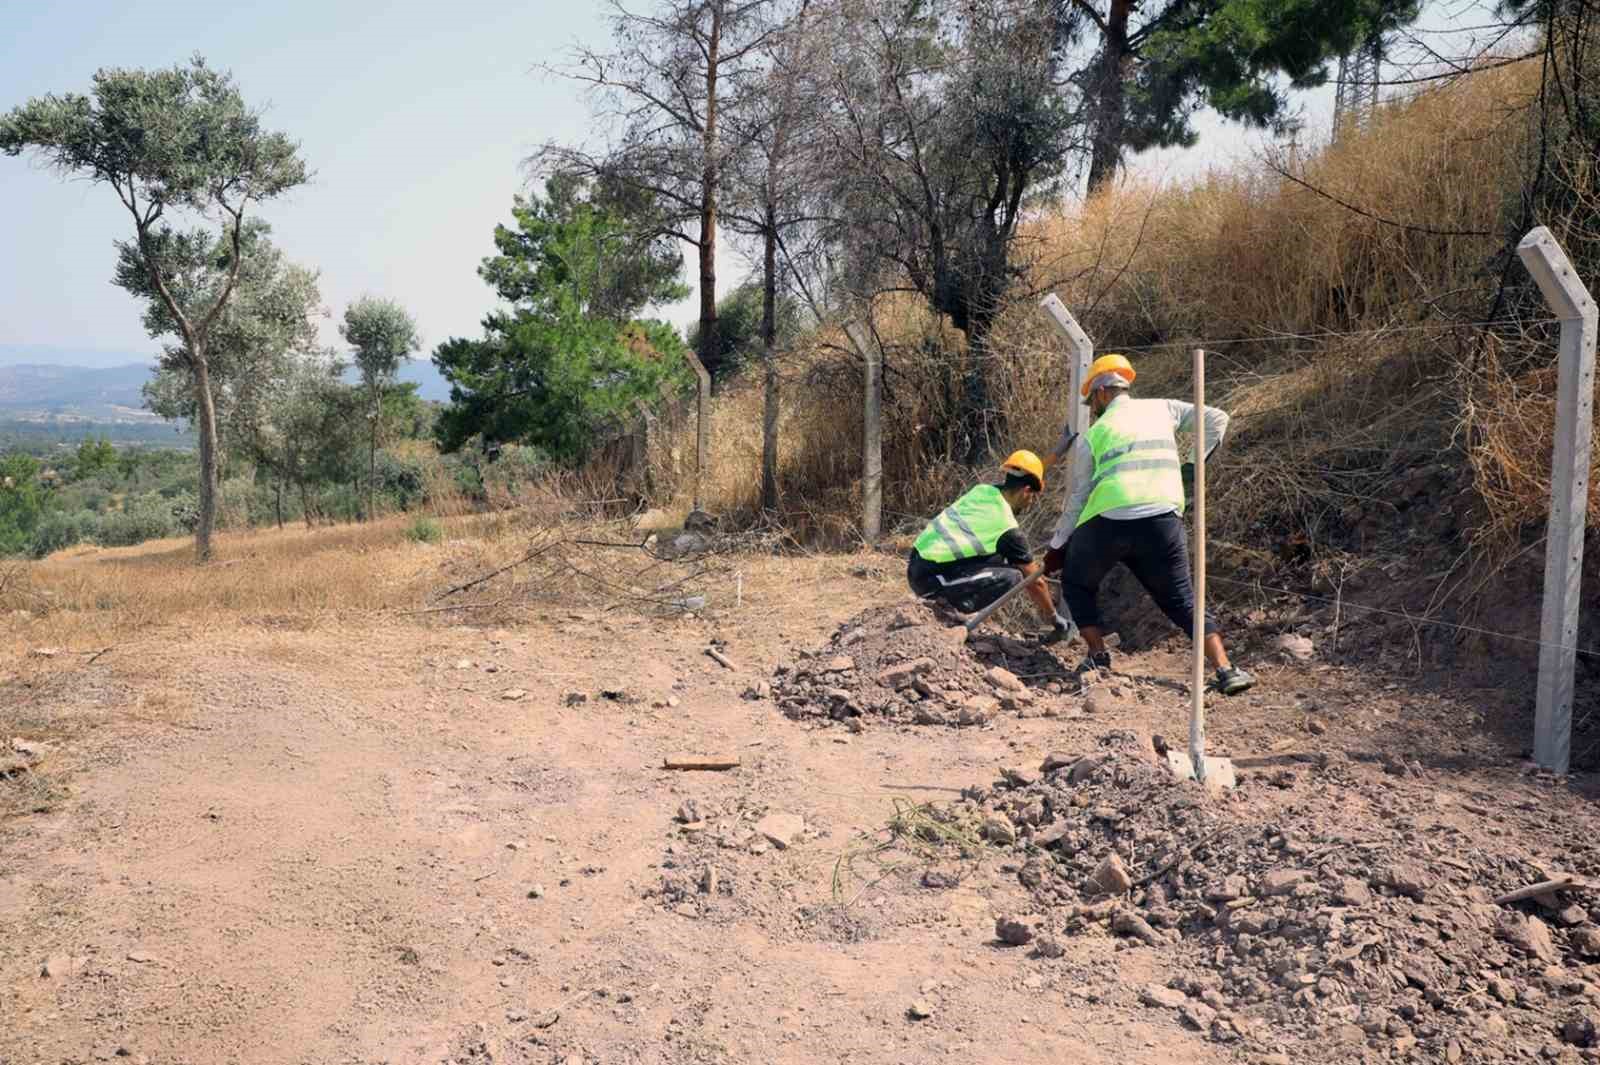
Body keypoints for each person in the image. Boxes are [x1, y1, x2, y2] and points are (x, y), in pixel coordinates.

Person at [1041, 354, 1256, 695]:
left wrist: (1057, 548)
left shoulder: (1093, 435)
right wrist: (1192, 465)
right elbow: (1217, 418)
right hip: (1161, 520)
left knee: (1077, 583)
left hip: (1107, 523)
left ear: (1099, 394)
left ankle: (1098, 656)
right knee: (1183, 599)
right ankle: (1226, 670)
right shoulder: (1163, 408)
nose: (1092, 407)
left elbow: (1079, 498)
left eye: (1091, 401)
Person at [907, 450, 1074, 642]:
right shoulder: (1006, 527)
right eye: (1032, 497)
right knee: (1014, 575)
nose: (1030, 503)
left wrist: (1057, 452)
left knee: (998, 559)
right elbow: (1035, 581)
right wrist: (1054, 618)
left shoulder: (982, 491)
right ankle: (944, 610)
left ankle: (946, 602)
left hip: (918, 564)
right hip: (930, 580)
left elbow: (1025, 475)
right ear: (1026, 490)